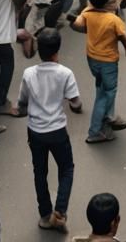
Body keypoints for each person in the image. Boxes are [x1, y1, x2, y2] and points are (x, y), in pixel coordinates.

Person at [17, 29, 82, 233]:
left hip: (35, 130)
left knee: (40, 171)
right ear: (57, 50)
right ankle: (60, 212)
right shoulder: (65, 73)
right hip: (57, 130)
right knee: (67, 169)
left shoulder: (29, 73)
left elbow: (22, 101)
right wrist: (76, 106)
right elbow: (75, 102)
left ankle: (45, 215)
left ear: (39, 50)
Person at [70, 0, 126, 144]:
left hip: (92, 59)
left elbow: (77, 24)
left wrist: (71, 20)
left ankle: (109, 117)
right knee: (106, 94)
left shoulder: (87, 13)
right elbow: (123, 38)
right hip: (108, 62)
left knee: (101, 88)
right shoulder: (114, 20)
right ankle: (95, 131)